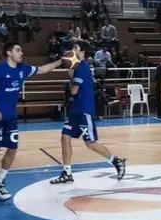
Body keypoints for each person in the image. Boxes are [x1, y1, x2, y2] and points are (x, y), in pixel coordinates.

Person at [0, 42, 63, 201]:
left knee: (12, 149)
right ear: (9, 53)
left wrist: (61, 61)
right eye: (18, 50)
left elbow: (43, 69)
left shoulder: (23, 69)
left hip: (11, 117)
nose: (21, 53)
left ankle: (2, 179)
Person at [50, 41, 126, 184]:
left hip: (85, 110)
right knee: (65, 137)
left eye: (75, 48)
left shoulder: (83, 67)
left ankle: (116, 161)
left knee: (90, 143)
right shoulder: (78, 67)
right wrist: (71, 74)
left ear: (82, 52)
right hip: (76, 110)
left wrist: (70, 78)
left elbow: (73, 91)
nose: (73, 50)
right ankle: (67, 172)